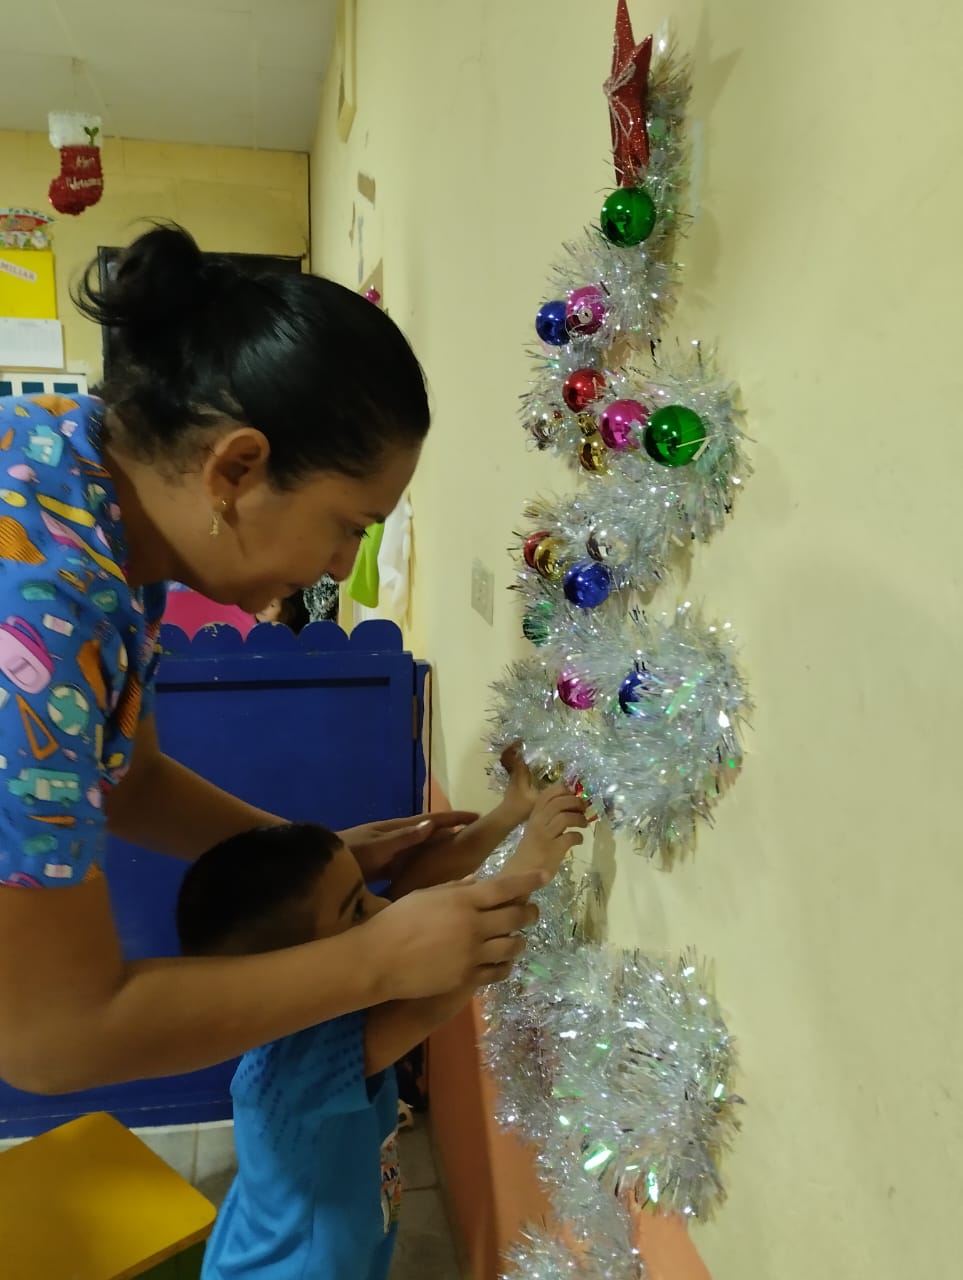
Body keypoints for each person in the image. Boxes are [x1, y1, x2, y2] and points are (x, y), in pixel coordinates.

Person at [0, 223, 569, 1096]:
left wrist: (313, 857)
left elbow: (130, 780)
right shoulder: (38, 617)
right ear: (236, 469)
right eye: (349, 526)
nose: (342, 567)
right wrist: (376, 960)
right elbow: (51, 1039)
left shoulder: (82, 481)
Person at [176, 769, 585, 1280]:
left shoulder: (303, 1005)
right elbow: (435, 997)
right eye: (357, 911)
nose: (386, 909)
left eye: (365, 892)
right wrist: (532, 864)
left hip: (286, 1235)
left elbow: (414, 891)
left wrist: (508, 812)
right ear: (293, 964)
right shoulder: (301, 1066)